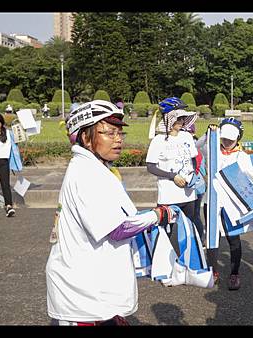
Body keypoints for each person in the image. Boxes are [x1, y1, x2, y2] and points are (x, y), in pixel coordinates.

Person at [46, 100, 176, 326]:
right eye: (109, 133)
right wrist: (158, 215)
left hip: (92, 287)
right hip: (81, 296)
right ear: (86, 138)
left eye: (120, 133)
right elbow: (118, 229)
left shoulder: (95, 167)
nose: (118, 139)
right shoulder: (86, 175)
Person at [197, 117, 249, 290]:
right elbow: (196, 147)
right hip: (210, 201)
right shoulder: (212, 149)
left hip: (231, 204)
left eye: (230, 139)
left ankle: (234, 273)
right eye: (224, 138)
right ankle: (213, 271)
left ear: (238, 138)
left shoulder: (242, 156)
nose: (226, 142)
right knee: (213, 237)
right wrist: (208, 135)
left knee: (233, 239)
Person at [145, 97, 199, 256]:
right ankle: (162, 264)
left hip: (189, 194)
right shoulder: (158, 140)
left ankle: (187, 260)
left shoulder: (187, 136)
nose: (182, 121)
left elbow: (194, 159)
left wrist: (194, 176)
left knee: (189, 229)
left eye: (183, 118)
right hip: (168, 195)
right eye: (179, 118)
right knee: (165, 232)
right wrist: (172, 176)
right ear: (169, 118)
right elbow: (151, 166)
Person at [0, 112, 22, 217]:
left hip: (4, 162)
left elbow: (19, 139)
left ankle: (8, 206)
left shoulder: (8, 133)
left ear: (1, 122)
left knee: (5, 184)